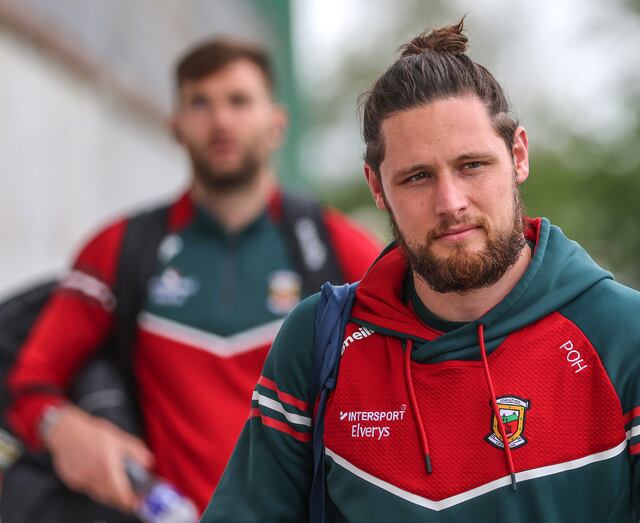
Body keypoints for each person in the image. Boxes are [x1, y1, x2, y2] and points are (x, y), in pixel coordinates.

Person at [201, 21, 640, 522]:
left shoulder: (636, 339)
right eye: (417, 177)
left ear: (518, 155)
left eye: (472, 165)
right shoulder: (318, 342)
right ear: (377, 187)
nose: (451, 201)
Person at [6, 38, 381, 515]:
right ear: (175, 126)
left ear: (276, 124)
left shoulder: (334, 247)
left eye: (239, 101)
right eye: (200, 103)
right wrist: (63, 429)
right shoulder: (120, 247)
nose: (221, 120)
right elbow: (30, 383)